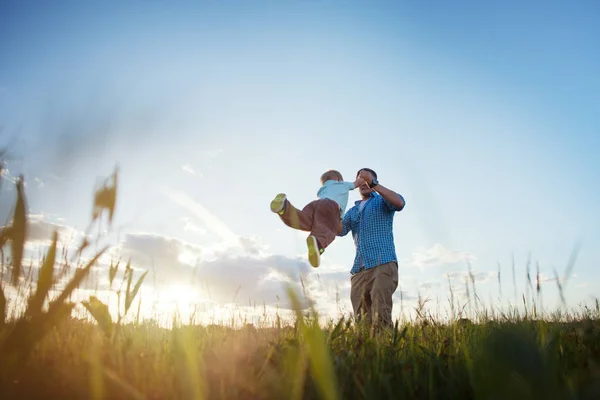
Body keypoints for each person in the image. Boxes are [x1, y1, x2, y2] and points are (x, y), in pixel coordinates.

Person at [338, 167, 406, 330]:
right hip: (359, 270)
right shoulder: (353, 211)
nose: (363, 182)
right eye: (360, 179)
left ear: (374, 181)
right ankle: (367, 354)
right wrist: (330, 208)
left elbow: (399, 203)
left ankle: (385, 352)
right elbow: (339, 230)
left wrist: (374, 184)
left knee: (380, 313)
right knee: (361, 321)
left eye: (366, 178)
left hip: (382, 262)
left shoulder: (382, 201)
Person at [270, 169, 365, 268]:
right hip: (331, 206)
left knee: (303, 220)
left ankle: (285, 208)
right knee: (328, 228)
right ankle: (318, 242)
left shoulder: (324, 189)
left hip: (315, 204)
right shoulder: (343, 184)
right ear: (339, 179)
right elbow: (357, 183)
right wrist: (363, 178)